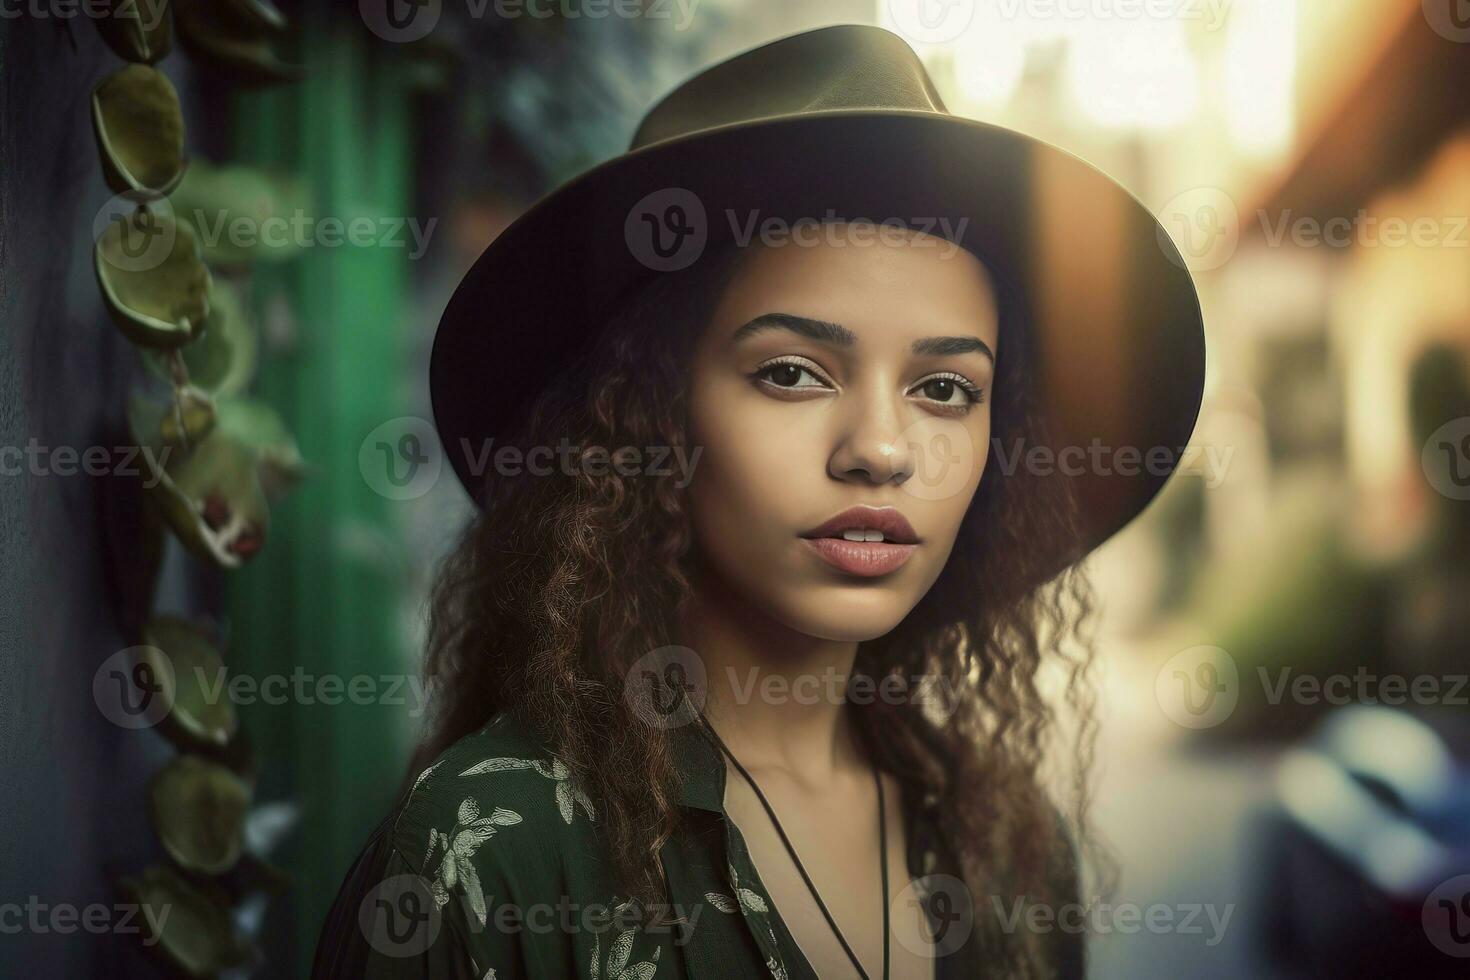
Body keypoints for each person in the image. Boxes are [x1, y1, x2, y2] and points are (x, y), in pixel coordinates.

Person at [312, 24, 1204, 980]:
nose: (883, 450)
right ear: (645, 421)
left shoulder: (1010, 842)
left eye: (946, 389)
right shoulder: (488, 857)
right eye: (792, 372)